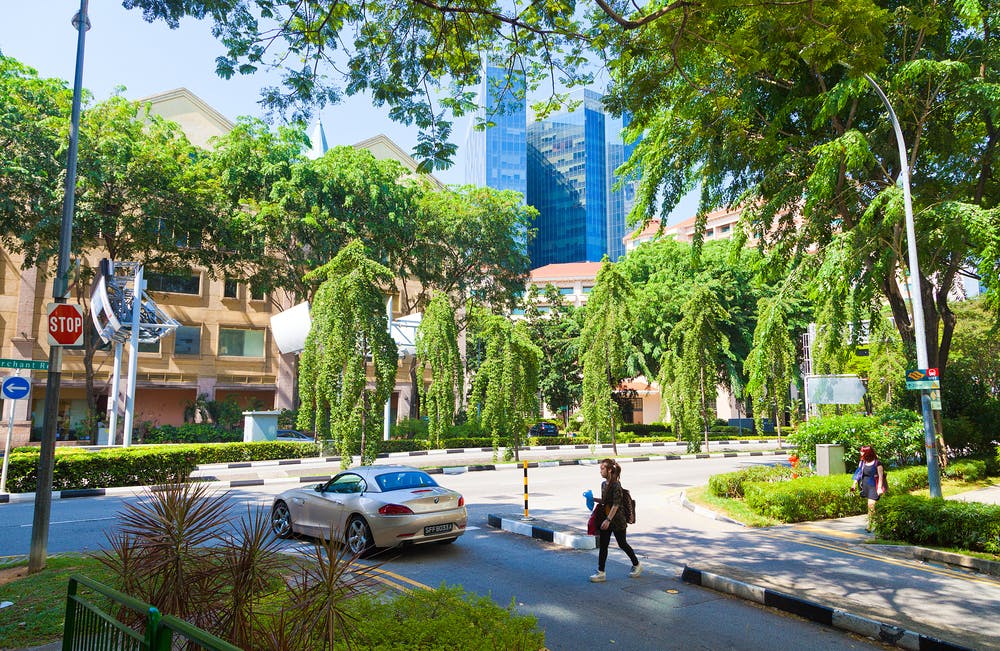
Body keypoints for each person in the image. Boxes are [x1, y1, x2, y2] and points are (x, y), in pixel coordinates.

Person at [589, 458, 641, 582]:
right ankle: (601, 572)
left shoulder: (616, 485)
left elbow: (616, 505)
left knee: (622, 543)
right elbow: (605, 502)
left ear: (610, 470)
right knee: (603, 545)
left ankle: (637, 565)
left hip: (617, 520)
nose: (600, 471)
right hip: (607, 519)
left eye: (602, 468)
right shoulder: (603, 484)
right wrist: (592, 499)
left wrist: (608, 520)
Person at [851, 445, 887, 530]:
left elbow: (881, 477)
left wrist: (879, 488)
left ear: (868, 453)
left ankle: (870, 525)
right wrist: (854, 484)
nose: (861, 453)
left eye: (862, 451)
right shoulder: (863, 462)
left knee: (871, 505)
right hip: (866, 486)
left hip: (874, 486)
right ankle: (878, 521)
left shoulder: (877, 463)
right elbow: (859, 473)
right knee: (870, 507)